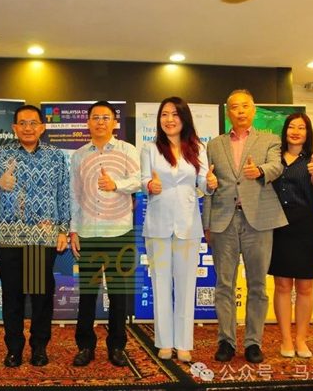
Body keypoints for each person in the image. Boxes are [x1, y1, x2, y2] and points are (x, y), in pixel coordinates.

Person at [202, 89, 287, 364]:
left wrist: (259, 171)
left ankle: (253, 342)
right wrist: (207, 223)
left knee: (258, 285)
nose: (240, 111)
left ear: (253, 110)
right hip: (223, 220)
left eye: (245, 106)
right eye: (234, 107)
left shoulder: (270, 140)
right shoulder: (214, 144)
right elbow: (209, 184)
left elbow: (277, 166)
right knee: (224, 284)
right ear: (228, 112)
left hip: (258, 221)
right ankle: (226, 341)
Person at [0, 104, 70, 368]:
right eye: (22, 123)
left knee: (40, 297)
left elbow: (63, 193)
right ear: (14, 128)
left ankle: (39, 347)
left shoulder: (55, 156)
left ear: (42, 127)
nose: (28, 128)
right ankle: (14, 349)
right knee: (12, 297)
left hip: (40, 239)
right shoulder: (2, 153)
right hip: (11, 238)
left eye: (33, 123)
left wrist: (63, 229)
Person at [141, 97, 217, 363]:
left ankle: (184, 343)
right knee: (160, 283)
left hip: (188, 225)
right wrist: (150, 186)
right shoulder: (150, 149)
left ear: (184, 118)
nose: (169, 119)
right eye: (164, 114)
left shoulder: (197, 148)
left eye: (174, 114)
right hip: (158, 225)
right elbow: (144, 180)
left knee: (186, 285)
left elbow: (203, 183)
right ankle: (164, 342)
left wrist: (210, 183)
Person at [69, 101, 140, 368]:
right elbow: (74, 195)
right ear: (88, 123)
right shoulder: (79, 156)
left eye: (106, 117)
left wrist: (116, 184)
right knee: (87, 293)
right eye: (95, 117)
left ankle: (117, 346)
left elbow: (140, 179)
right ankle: (85, 346)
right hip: (88, 232)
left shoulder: (127, 150)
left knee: (119, 294)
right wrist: (73, 229)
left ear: (114, 123)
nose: (100, 122)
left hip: (119, 232)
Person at [268, 113, 313, 359]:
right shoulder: (273, 157)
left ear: (308, 133)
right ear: (285, 131)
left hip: (306, 224)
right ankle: (285, 338)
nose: (295, 131)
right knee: (282, 285)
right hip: (278, 223)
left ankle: (301, 339)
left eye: (301, 128)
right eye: (291, 127)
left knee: (305, 286)